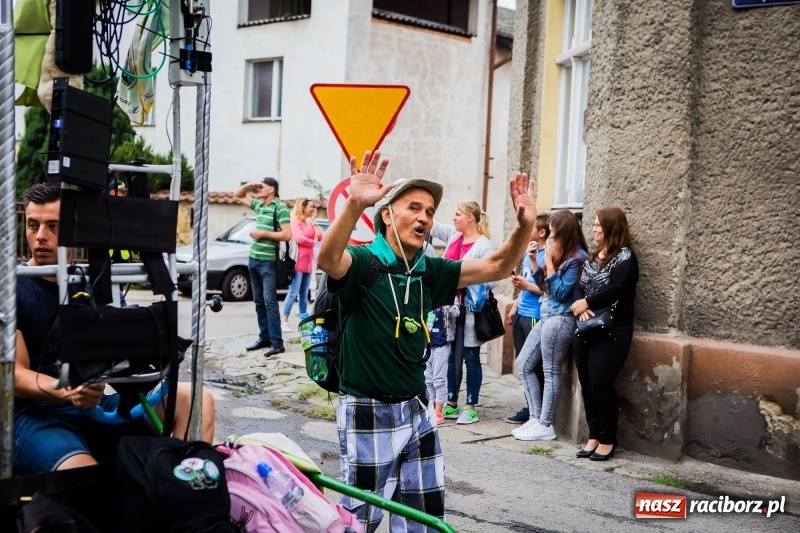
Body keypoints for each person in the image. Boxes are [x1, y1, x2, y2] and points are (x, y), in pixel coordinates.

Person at [317, 150, 537, 532]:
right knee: (357, 522)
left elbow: (497, 266)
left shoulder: (428, 272)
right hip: (366, 409)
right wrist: (354, 204)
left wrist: (525, 226)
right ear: (387, 214)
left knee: (424, 518)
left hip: (417, 410)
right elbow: (328, 259)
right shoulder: (363, 263)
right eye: (413, 207)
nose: (424, 218)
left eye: (430, 211)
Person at [13, 183, 216, 475]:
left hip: (96, 405)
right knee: (87, 476)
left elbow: (123, 352)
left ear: (74, 229)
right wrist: (68, 393)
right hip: (36, 416)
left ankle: (183, 495)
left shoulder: (95, 282)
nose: (41, 236)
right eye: (33, 225)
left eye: (53, 226)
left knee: (197, 400)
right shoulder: (14, 287)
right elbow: (15, 375)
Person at [512, 210, 588, 442]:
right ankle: (536, 418)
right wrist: (536, 261)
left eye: (553, 232)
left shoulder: (577, 258)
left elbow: (563, 293)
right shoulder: (562, 253)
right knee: (523, 364)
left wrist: (551, 267)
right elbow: (544, 287)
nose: (550, 237)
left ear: (563, 232)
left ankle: (545, 424)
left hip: (561, 319)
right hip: (547, 315)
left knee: (550, 370)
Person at [571, 207, 639, 461]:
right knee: (587, 383)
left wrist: (586, 303)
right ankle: (594, 434)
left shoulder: (625, 258)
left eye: (599, 225)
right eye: (595, 224)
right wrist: (581, 307)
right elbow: (579, 287)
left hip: (613, 330)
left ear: (612, 228)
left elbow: (618, 288)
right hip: (585, 327)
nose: (594, 228)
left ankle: (609, 439)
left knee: (600, 382)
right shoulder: (592, 258)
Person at [431, 202, 496, 425]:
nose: (453, 217)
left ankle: (471, 407)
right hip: (449, 310)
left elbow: (492, 280)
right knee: (450, 357)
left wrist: (465, 281)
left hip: (470, 311)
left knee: (471, 358)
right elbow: (433, 226)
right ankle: (450, 403)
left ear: (470, 218)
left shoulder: (484, 246)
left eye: (457, 214)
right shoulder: (453, 236)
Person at [234, 177, 291, 356]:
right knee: (259, 302)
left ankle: (277, 342)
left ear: (272, 189)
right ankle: (264, 337)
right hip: (253, 259)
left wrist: (263, 233)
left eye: (262, 187)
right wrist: (251, 184)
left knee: (270, 302)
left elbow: (287, 234)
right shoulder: (259, 206)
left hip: (268, 262)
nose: (259, 190)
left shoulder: (280, 208)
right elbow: (238, 195)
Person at [505, 213, 550, 424]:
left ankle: (536, 410)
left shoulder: (546, 256)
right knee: (521, 363)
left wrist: (525, 285)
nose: (526, 229)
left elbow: (546, 290)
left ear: (542, 232)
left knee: (532, 365)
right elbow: (526, 283)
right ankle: (529, 405)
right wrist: (514, 305)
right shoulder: (529, 252)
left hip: (534, 315)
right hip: (522, 313)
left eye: (530, 227)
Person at [281, 199, 323, 330]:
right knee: (293, 292)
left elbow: (320, 236)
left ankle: (304, 322)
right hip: (297, 262)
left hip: (308, 263)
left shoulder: (309, 222)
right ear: (303, 207)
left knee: (304, 294)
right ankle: (284, 322)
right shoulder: (295, 220)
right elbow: (299, 238)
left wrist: (314, 221)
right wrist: (313, 241)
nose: (313, 208)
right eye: (311, 206)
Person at [424, 304, 458, 424]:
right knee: (428, 379)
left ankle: (438, 411)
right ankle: (431, 408)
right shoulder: (426, 296)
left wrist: (446, 304)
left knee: (438, 379)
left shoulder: (447, 298)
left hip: (442, 344)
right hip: (427, 344)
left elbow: (456, 312)